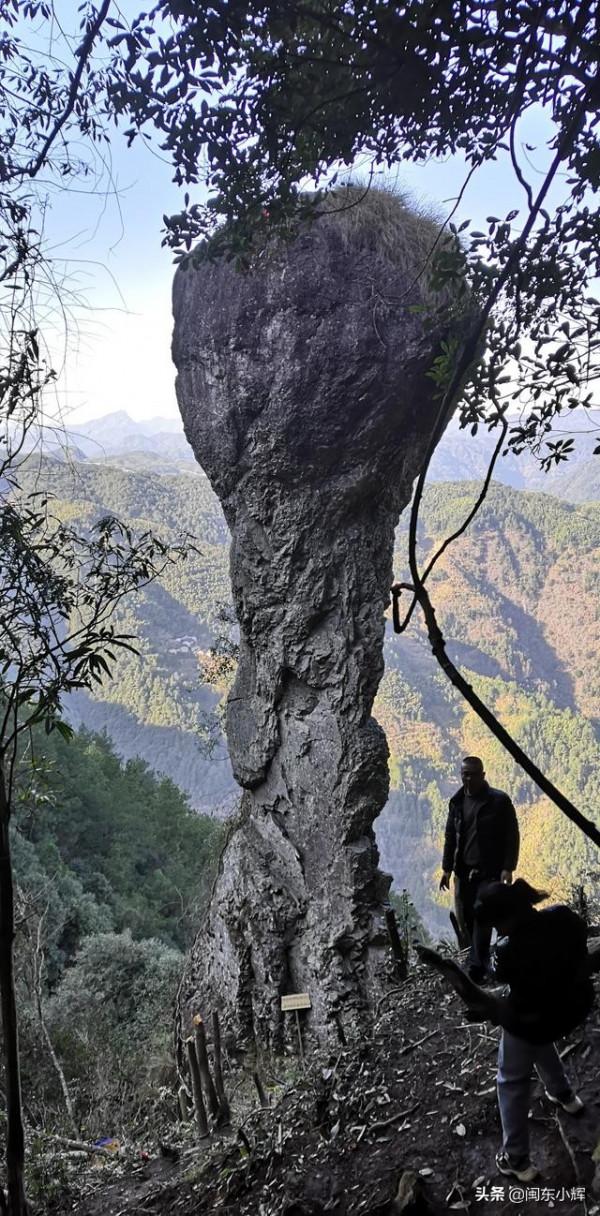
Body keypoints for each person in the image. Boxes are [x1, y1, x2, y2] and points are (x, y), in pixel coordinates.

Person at [418, 878, 594, 1184]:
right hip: (573, 1007)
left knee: (510, 1079)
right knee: (536, 1034)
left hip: (534, 1018)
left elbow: (496, 980)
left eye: (497, 925)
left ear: (507, 918)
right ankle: (564, 1094)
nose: (497, 932)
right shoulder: (563, 916)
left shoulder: (508, 951)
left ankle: (516, 1159)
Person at [440, 756, 519, 981]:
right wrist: (446, 869)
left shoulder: (499, 801)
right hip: (464, 873)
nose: (469, 778)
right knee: (469, 918)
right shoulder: (456, 802)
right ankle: (483, 962)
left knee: (482, 915)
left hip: (489, 871)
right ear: (460, 774)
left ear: (483, 775)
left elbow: (511, 836)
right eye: (465, 773)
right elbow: (450, 837)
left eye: (473, 774)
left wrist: (508, 868)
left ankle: (476, 969)